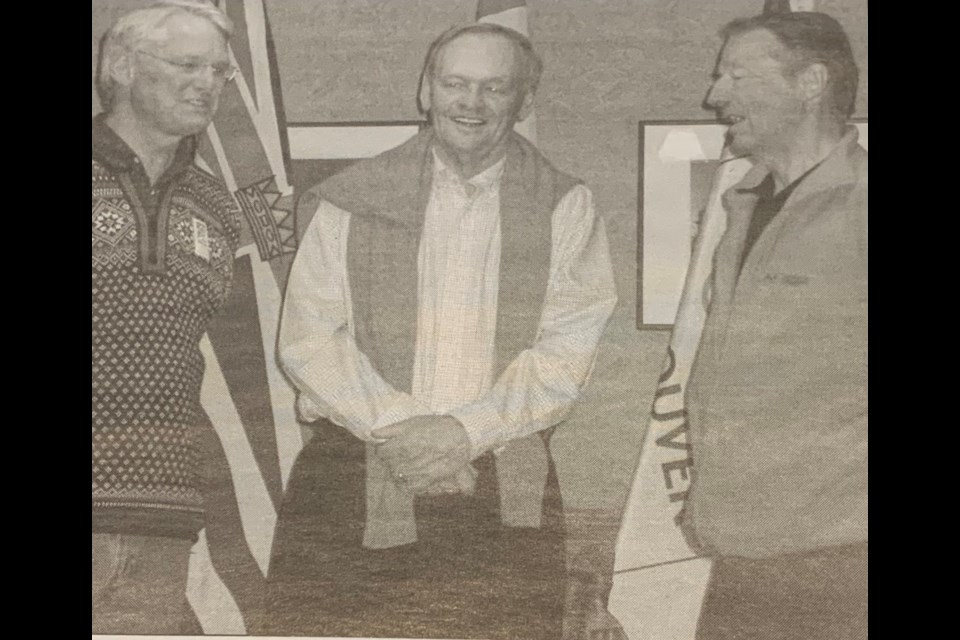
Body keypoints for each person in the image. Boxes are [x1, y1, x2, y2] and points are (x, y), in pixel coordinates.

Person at [267, 22, 617, 640]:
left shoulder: (564, 204)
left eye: (494, 88)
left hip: (502, 489)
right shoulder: (351, 197)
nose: (471, 103)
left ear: (525, 100)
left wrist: (463, 433)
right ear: (425, 91)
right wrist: (413, 438)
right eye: (454, 84)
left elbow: (567, 348)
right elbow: (310, 338)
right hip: (352, 478)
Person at [682, 11, 867, 639]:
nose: (714, 95)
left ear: (810, 82)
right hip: (742, 560)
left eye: (736, 74)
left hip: (842, 571)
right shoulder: (745, 203)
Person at [92, 1, 240, 633]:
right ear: (122, 65)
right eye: (187, 64)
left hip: (162, 514)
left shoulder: (218, 206)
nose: (207, 83)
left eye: (219, 71)